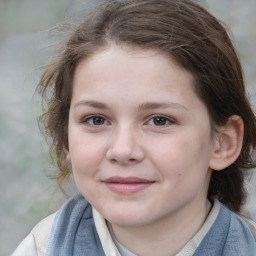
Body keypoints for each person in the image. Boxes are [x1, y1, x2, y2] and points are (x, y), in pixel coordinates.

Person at [12, 0, 256, 255]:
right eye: (96, 120)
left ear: (223, 143)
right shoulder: (41, 248)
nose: (123, 150)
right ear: (66, 137)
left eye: (159, 120)